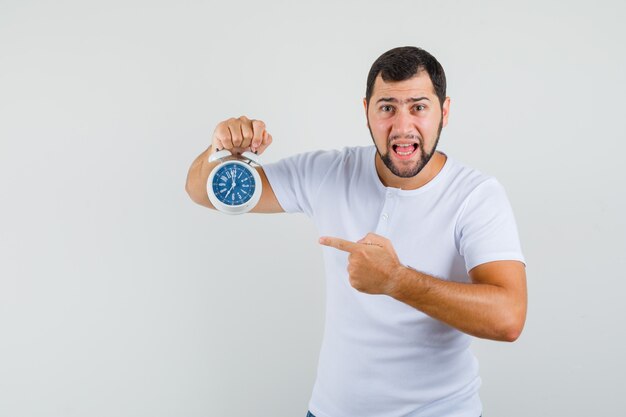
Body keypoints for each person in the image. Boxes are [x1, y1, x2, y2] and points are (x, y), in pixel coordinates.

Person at [185, 46, 527, 417]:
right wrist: (220, 150)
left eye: (418, 106)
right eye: (387, 108)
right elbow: (203, 191)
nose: (402, 125)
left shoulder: (476, 195)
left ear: (444, 112)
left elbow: (508, 318)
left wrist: (397, 281)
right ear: (366, 111)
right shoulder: (328, 173)